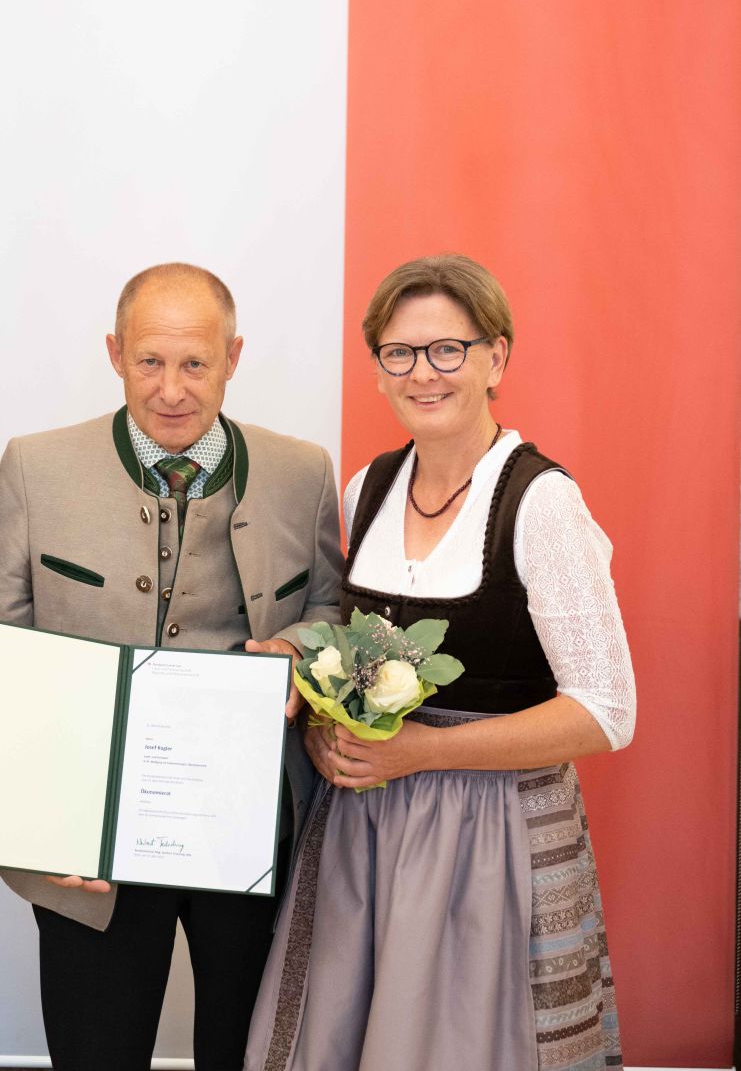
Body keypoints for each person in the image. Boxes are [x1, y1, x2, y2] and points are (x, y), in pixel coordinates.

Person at [0, 262, 342, 1071]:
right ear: (114, 353)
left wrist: (295, 653)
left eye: (194, 363)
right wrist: (52, 815)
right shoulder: (34, 467)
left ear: (232, 358)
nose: (171, 389)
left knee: (251, 1054)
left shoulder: (303, 473)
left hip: (250, 829)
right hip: (87, 845)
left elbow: (330, 617)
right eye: (149, 362)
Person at [245, 253, 636, 1071]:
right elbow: (347, 660)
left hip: (493, 836)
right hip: (363, 832)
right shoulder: (368, 488)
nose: (423, 372)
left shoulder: (541, 503)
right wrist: (325, 728)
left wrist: (428, 751)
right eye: (400, 352)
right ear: (379, 368)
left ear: (497, 357)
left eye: (447, 349)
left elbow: (605, 710)